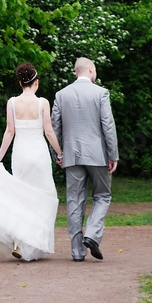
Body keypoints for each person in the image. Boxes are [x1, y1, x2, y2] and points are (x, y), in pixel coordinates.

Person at [0, 62, 63, 261]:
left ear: (20, 83)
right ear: (36, 82)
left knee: (22, 197)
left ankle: (20, 242)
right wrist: (60, 153)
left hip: (20, 153)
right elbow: (48, 131)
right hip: (38, 153)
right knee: (44, 196)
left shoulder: (11, 102)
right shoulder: (42, 102)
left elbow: (10, 131)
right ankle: (32, 242)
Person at [51, 57, 119, 262]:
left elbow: (54, 127)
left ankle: (77, 252)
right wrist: (113, 154)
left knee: (74, 201)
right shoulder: (101, 93)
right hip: (98, 155)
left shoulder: (61, 95)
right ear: (90, 69)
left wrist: (58, 154)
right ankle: (92, 234)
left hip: (71, 155)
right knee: (103, 196)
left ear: (75, 72)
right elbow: (108, 125)